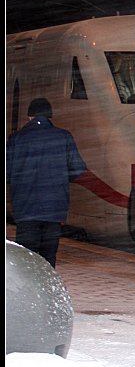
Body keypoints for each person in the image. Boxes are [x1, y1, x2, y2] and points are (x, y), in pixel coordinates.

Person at [6, 97, 87, 267]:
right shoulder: (64, 137)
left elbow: (7, 173)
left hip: (25, 210)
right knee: (48, 257)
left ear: (29, 116)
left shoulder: (16, 139)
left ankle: (30, 283)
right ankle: (48, 282)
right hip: (54, 209)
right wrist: (59, 178)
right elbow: (78, 169)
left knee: (27, 259)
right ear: (50, 116)